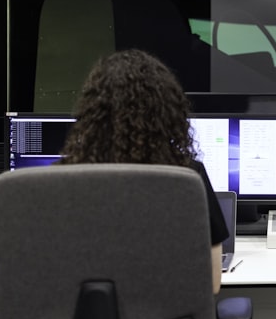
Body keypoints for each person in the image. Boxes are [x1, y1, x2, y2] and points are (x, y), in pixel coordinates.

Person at [59, 48, 229, 293]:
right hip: (169, 317)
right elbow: (211, 284)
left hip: (84, 317)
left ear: (91, 112)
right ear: (167, 113)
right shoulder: (187, 178)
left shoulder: (61, 182)